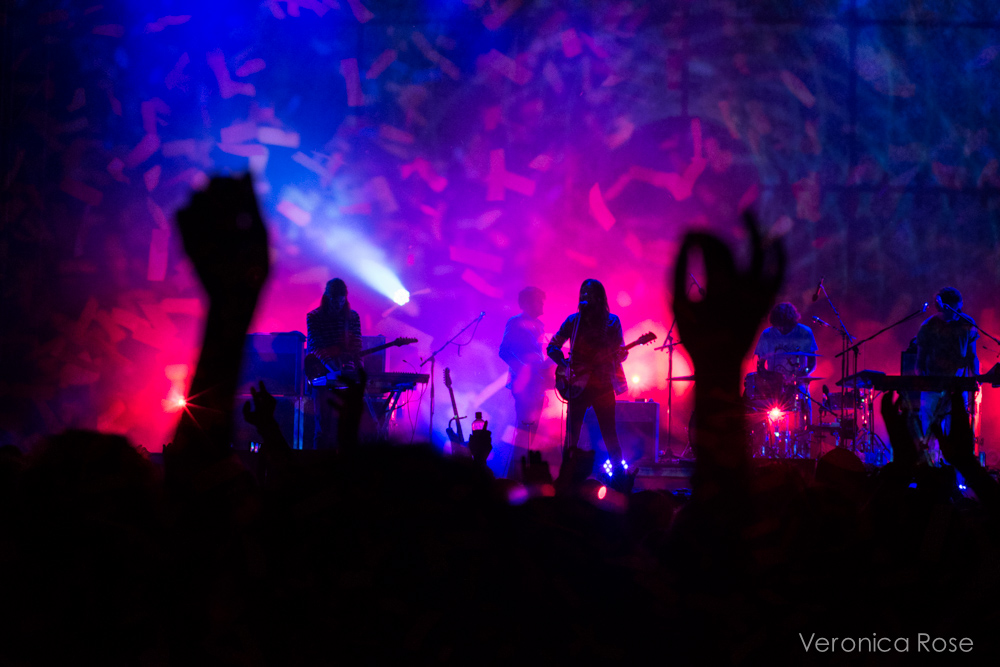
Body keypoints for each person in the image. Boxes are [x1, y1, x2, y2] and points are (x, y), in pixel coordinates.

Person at [547, 279, 628, 475]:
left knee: (610, 434)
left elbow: (623, 353)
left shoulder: (612, 321)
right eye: (583, 292)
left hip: (603, 385)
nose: (585, 296)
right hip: (576, 386)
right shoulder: (573, 321)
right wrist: (565, 366)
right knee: (571, 435)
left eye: (589, 293)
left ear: (599, 296)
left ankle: (619, 477)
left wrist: (617, 354)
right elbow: (552, 346)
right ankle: (567, 476)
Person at [915, 287, 979, 452]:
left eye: (958, 308)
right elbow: (919, 361)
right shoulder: (928, 326)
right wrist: (923, 383)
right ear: (942, 306)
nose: (957, 312)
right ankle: (930, 467)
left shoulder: (967, 323)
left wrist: (976, 378)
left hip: (957, 386)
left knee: (955, 431)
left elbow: (972, 355)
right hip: (932, 386)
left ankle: (952, 470)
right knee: (929, 430)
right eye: (952, 309)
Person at [499, 286, 553, 478]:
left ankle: (524, 476)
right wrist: (524, 372)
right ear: (527, 303)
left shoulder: (540, 326)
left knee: (531, 433)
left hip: (536, 385)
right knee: (523, 433)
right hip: (523, 385)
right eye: (539, 300)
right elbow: (504, 351)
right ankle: (515, 477)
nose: (542, 304)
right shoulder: (515, 322)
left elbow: (539, 356)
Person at [306, 278, 363, 449]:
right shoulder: (314, 317)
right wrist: (333, 368)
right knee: (323, 426)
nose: (337, 305)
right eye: (333, 301)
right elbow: (316, 346)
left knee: (345, 425)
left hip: (345, 375)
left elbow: (356, 346)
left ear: (345, 298)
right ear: (327, 298)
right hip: (322, 374)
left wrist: (359, 369)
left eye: (340, 301)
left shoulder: (352, 317)